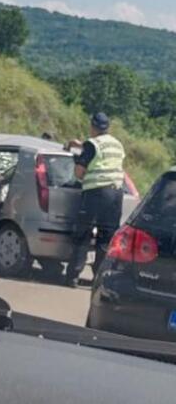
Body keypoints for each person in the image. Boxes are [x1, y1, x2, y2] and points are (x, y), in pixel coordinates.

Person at [64, 112, 125, 288]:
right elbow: (101, 153)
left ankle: (73, 277)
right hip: (116, 195)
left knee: (83, 234)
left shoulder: (92, 144)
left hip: (96, 193)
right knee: (106, 238)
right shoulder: (117, 144)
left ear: (92, 126)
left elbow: (79, 173)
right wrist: (81, 145)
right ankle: (99, 279)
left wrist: (78, 159)